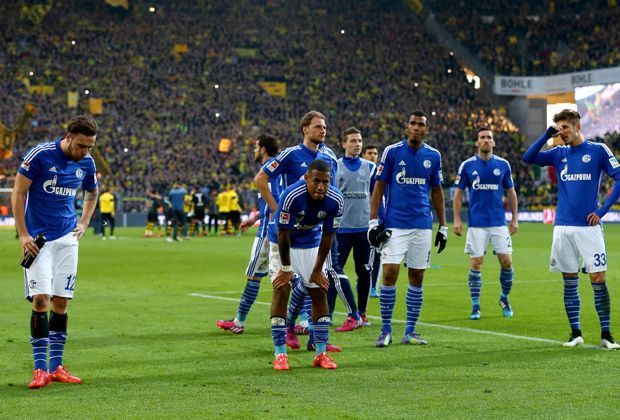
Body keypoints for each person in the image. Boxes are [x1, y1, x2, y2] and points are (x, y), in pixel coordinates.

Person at [255, 110, 359, 343]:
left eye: (324, 127)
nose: (323, 130)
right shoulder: (291, 155)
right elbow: (260, 179)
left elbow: (332, 191)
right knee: (291, 284)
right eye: (318, 127)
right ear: (305, 129)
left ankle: (316, 337)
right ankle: (290, 330)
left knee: (318, 282)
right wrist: (275, 208)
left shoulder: (330, 157)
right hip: (288, 231)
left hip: (317, 231)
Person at [11, 115, 99, 389]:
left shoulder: (87, 162)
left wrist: (84, 222)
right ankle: (40, 370)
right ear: (69, 136)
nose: (85, 152)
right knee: (40, 300)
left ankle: (56, 367)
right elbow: (17, 194)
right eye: (82, 146)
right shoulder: (40, 155)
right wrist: (23, 233)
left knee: (61, 303)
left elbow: (92, 193)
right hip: (39, 242)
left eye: (90, 147)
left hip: (68, 241)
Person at [523, 109, 620, 349]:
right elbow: (528, 157)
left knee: (598, 278)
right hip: (563, 228)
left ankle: (606, 334)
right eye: (558, 128)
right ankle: (575, 333)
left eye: (565, 127)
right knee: (569, 280)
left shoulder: (598, 150)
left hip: (589, 227)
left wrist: (603, 210)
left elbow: (619, 177)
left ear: (578, 127)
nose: (561, 132)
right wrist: (546, 134)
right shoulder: (558, 153)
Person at [368, 110, 448, 347]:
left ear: (426, 130)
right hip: (395, 225)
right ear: (407, 127)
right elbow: (379, 187)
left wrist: (442, 225)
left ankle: (410, 331)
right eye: (412, 123)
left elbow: (437, 191)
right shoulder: (392, 152)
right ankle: (385, 330)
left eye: (420, 124)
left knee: (417, 276)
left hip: (422, 225)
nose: (416, 127)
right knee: (390, 273)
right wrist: (373, 222)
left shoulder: (433, 156)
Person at [269, 159, 344, 370]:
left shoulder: (336, 200)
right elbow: (283, 234)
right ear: (306, 178)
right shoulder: (291, 195)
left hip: (311, 243)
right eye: (316, 181)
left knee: (320, 290)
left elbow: (329, 236)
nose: (321, 187)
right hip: (283, 243)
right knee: (282, 289)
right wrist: (286, 269)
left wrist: (318, 270)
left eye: (325, 182)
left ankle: (320, 352)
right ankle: (280, 353)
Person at [217, 133, 280, 333]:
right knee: (288, 276)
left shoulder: (268, 171)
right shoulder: (278, 169)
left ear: (262, 149)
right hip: (270, 228)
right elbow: (269, 205)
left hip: (266, 234)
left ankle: (239, 322)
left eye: (255, 147)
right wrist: (254, 218)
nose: (254, 150)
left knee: (254, 276)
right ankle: (303, 323)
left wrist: (272, 230)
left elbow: (275, 202)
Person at [453, 127, 518, 320]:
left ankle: (504, 298)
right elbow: (458, 194)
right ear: (477, 142)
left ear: (494, 142)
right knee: (476, 263)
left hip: (498, 222)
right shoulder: (467, 166)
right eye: (482, 137)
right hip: (476, 223)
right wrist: (456, 219)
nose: (486, 140)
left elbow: (511, 192)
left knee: (507, 262)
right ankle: (475, 306)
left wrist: (514, 218)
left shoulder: (503, 165)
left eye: (489, 137)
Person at [335, 127, 375, 328]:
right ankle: (328, 312)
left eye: (359, 140)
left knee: (364, 272)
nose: (357, 144)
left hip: (363, 229)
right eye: (352, 141)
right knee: (334, 272)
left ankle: (362, 313)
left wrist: (379, 222)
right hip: (341, 229)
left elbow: (378, 197)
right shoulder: (336, 166)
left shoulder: (370, 167)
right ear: (344, 144)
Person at [363, 144, 382, 298]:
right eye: (369, 153)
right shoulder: (363, 172)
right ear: (364, 155)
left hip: (376, 219)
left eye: (375, 153)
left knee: (377, 254)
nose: (373, 156)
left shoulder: (381, 174)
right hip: (359, 219)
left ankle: (373, 286)